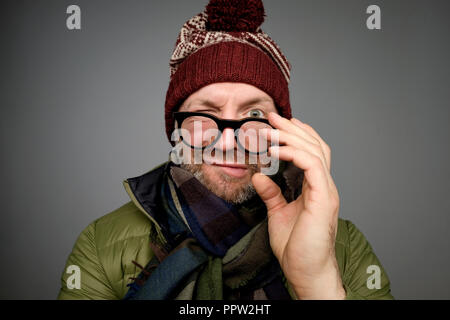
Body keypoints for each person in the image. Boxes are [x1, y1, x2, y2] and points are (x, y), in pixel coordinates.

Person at [57, 0, 393, 300]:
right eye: (205, 115)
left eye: (254, 115)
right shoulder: (102, 243)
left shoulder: (343, 246)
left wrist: (317, 282)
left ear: (282, 131)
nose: (230, 142)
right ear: (177, 130)